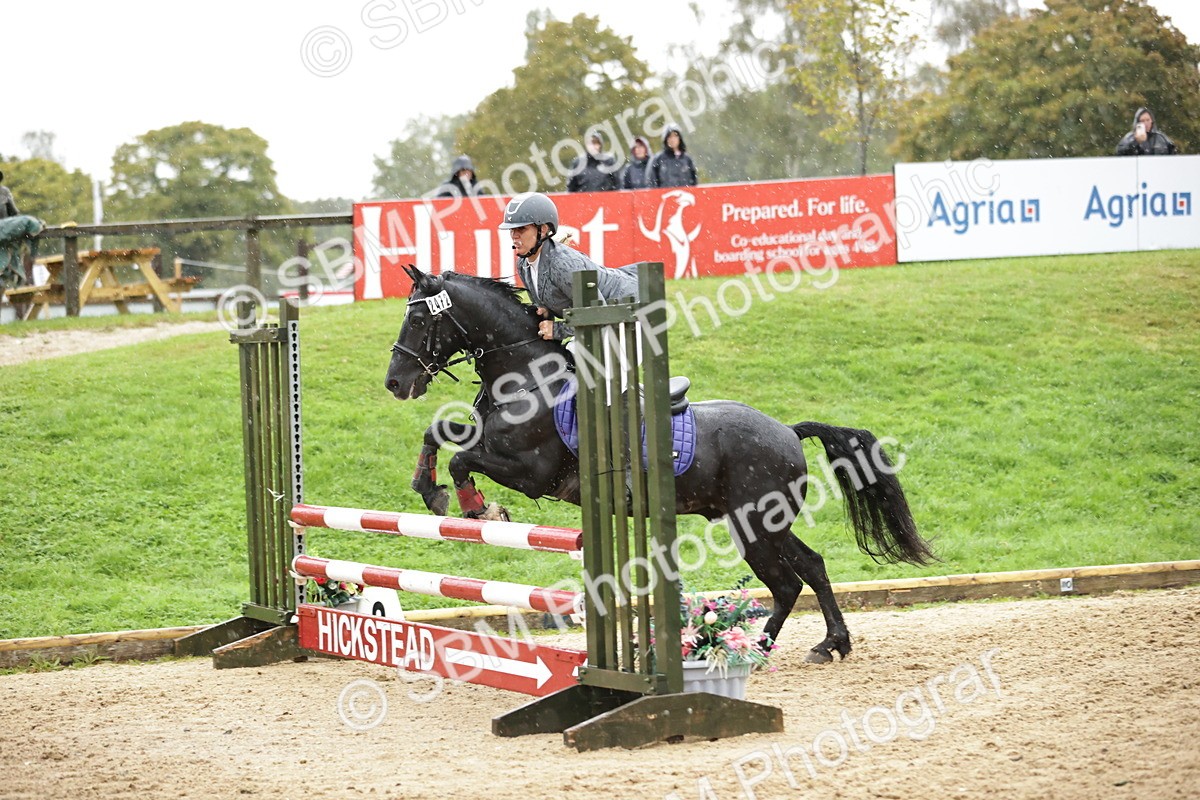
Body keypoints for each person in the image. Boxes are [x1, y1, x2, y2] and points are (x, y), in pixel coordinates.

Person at [498, 191, 638, 342]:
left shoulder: (561, 264)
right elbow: (548, 307)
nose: (514, 235)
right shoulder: (523, 264)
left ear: (542, 229)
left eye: (521, 228)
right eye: (512, 230)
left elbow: (598, 314)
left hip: (632, 312)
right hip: (603, 323)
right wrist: (544, 312)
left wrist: (557, 330)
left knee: (575, 353)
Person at [567, 129, 620, 193]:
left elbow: (618, 186)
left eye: (596, 143)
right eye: (590, 143)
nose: (593, 146)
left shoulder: (609, 161)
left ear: (600, 145)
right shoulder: (578, 163)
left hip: (605, 199)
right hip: (583, 199)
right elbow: (571, 189)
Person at [647, 124, 698, 188]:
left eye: (675, 136)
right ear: (666, 139)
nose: (672, 139)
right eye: (670, 136)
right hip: (664, 194)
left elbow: (694, 183)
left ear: (679, 138)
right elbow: (651, 182)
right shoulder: (658, 159)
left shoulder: (687, 159)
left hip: (684, 194)